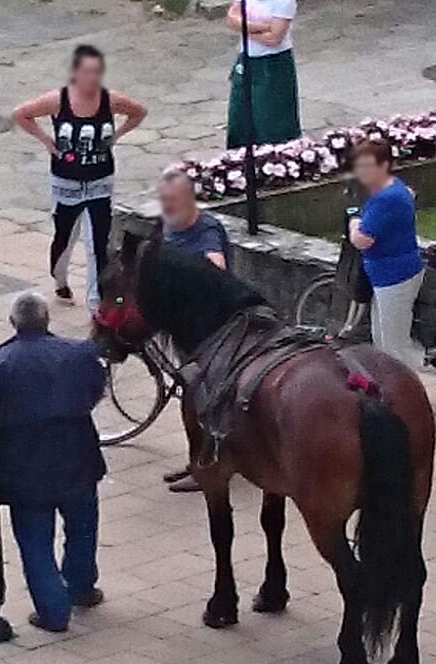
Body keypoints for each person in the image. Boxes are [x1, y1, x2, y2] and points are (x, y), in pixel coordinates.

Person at [0, 292, 106, 632]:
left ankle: (53, 611)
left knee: (36, 542)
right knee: (82, 526)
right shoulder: (79, 354)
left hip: (26, 470)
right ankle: (80, 586)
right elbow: (95, 390)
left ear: (13, 324)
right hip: (78, 460)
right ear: (46, 320)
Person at [13, 45, 147, 312]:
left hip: (100, 181)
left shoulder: (110, 100)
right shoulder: (58, 100)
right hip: (67, 183)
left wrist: (115, 136)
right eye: (87, 72)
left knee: (98, 242)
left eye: (97, 72)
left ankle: (96, 303)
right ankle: (59, 278)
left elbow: (138, 112)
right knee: (64, 237)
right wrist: (47, 141)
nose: (92, 78)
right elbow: (21, 114)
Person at [160, 170, 231, 492]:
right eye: (164, 200)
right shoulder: (170, 225)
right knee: (189, 398)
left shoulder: (206, 230)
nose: (167, 207)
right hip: (184, 327)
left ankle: (208, 466)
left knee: (200, 400)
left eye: (173, 201)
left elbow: (217, 265)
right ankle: (196, 461)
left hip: (209, 331)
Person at [349, 139, 424, 369]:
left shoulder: (385, 198)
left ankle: (407, 391)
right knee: (382, 338)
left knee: (394, 344)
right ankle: (390, 387)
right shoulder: (394, 188)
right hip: (388, 276)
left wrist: (354, 223)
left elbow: (362, 240)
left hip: (395, 277)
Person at [226, 0, 301, 149]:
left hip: (273, 63)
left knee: (270, 116)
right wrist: (262, 28)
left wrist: (244, 28)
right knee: (240, 113)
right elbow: (231, 19)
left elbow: (274, 39)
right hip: (247, 57)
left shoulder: (284, 2)